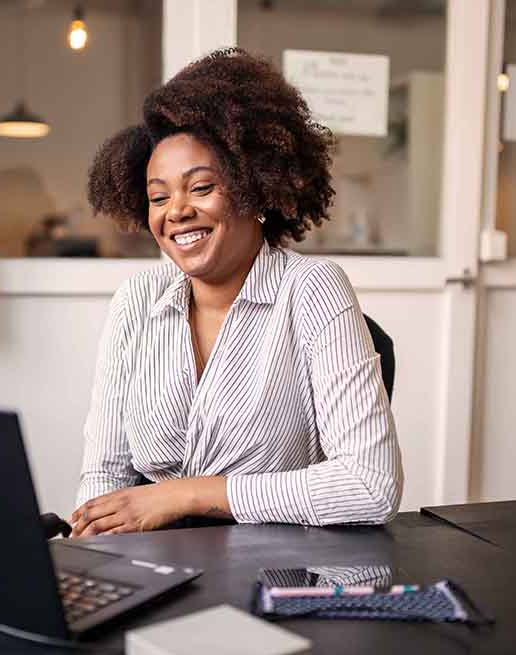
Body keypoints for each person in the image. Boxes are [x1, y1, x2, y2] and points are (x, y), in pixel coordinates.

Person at [70, 48, 402, 537]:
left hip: (275, 573)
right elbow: (106, 474)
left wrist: (184, 494)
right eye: (159, 197)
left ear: (255, 188)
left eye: (200, 188)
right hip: (152, 570)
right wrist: (94, 550)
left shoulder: (313, 291)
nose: (176, 211)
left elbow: (371, 485)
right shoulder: (136, 301)